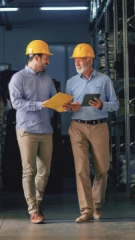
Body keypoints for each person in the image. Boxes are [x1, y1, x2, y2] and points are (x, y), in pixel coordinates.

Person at [64, 43, 119, 223]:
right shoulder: (71, 82)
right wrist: (70, 107)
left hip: (99, 126)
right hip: (77, 127)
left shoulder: (104, 80)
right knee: (81, 169)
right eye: (75, 60)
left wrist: (102, 105)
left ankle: (97, 206)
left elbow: (116, 104)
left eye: (80, 59)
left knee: (102, 168)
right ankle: (86, 210)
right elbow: (66, 106)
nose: (77, 62)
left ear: (90, 59)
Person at [9, 40, 57, 224]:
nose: (48, 61)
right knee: (29, 171)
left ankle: (37, 202)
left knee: (44, 171)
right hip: (27, 130)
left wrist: (65, 105)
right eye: (46, 58)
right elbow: (16, 103)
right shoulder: (18, 78)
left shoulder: (47, 79)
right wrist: (40, 105)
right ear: (36, 57)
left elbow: (53, 100)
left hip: (46, 130)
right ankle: (33, 210)